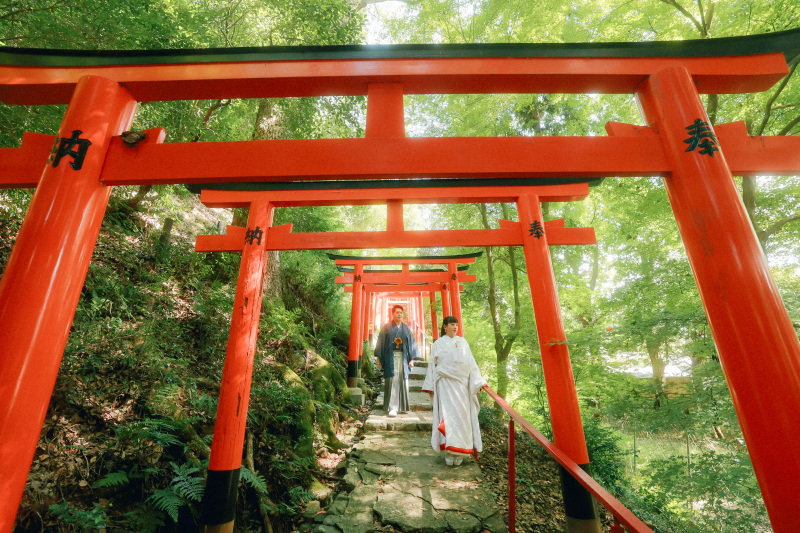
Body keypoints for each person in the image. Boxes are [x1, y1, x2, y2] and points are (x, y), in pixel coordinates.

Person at [422, 316, 487, 466]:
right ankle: (450, 451)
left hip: (461, 386)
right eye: (452, 324)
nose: (455, 327)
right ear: (445, 326)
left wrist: (479, 381)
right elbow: (433, 364)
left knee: (462, 419)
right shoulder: (438, 343)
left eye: (456, 325)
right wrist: (431, 385)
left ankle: (460, 452)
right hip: (445, 385)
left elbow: (472, 364)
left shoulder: (463, 342)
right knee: (448, 417)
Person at [374, 304, 419, 417]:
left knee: (403, 381)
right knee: (393, 380)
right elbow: (381, 342)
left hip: (403, 358)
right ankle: (392, 407)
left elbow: (411, 344)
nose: (399, 314)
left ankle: (402, 406)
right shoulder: (387, 327)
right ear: (392, 314)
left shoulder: (406, 328)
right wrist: (379, 358)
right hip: (390, 357)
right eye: (397, 312)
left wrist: (411, 359)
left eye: (401, 313)